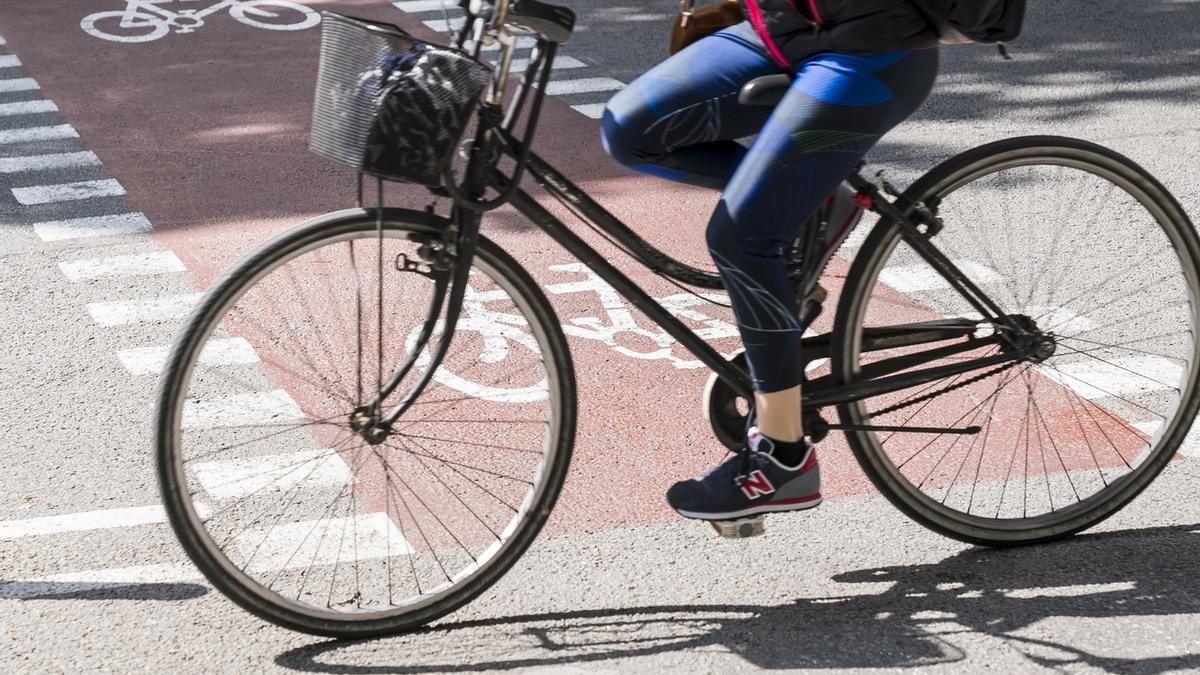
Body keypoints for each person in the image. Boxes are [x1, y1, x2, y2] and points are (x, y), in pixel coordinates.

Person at [600, 0, 947, 522]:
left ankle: (784, 456)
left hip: (873, 50)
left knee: (742, 239)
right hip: (783, 29)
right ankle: (813, 200)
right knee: (628, 130)